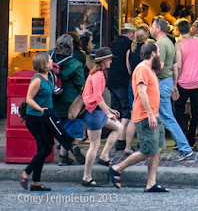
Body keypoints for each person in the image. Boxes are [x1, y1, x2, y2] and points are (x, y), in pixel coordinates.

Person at [108, 41, 169, 193]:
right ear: (153, 53)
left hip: (154, 115)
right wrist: (150, 115)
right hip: (145, 116)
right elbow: (142, 92)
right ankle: (117, 168)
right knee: (148, 150)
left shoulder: (149, 69)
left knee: (156, 149)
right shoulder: (142, 68)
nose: (160, 55)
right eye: (159, 52)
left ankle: (151, 183)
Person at [19, 52, 84, 193]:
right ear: (43, 64)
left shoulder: (48, 77)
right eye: (49, 60)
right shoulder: (37, 80)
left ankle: (36, 182)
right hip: (35, 117)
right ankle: (26, 173)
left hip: (44, 117)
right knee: (45, 149)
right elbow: (28, 99)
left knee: (44, 148)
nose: (52, 62)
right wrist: (41, 109)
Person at [150, 17, 194, 161]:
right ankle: (156, 146)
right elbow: (175, 66)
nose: (150, 29)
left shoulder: (160, 44)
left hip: (162, 82)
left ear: (158, 29)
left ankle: (184, 148)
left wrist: (147, 75)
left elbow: (160, 66)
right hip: (167, 82)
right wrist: (174, 86)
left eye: (152, 26)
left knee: (167, 117)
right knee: (161, 116)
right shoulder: (169, 42)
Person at [81, 47, 124, 186]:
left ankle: (104, 156)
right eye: (110, 58)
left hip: (96, 111)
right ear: (104, 60)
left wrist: (110, 110)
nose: (111, 61)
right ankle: (86, 177)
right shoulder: (98, 74)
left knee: (119, 127)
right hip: (94, 112)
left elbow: (97, 97)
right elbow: (98, 97)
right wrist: (108, 113)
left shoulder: (96, 73)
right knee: (94, 145)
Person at [51, 34, 86, 166]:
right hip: (71, 101)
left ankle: (63, 157)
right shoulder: (76, 64)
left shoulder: (49, 58)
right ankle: (70, 148)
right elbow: (81, 85)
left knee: (59, 127)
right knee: (70, 127)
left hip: (54, 98)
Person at [174, 18, 198, 148]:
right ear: (189, 29)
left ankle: (181, 138)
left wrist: (175, 83)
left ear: (178, 30)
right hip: (197, 82)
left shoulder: (179, 44)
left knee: (179, 110)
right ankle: (191, 138)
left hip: (183, 82)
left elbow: (179, 65)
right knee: (195, 110)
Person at [107, 23, 135, 154]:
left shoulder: (113, 43)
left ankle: (115, 138)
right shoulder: (130, 44)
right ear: (130, 33)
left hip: (112, 81)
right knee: (126, 111)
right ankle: (121, 140)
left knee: (115, 111)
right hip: (123, 81)